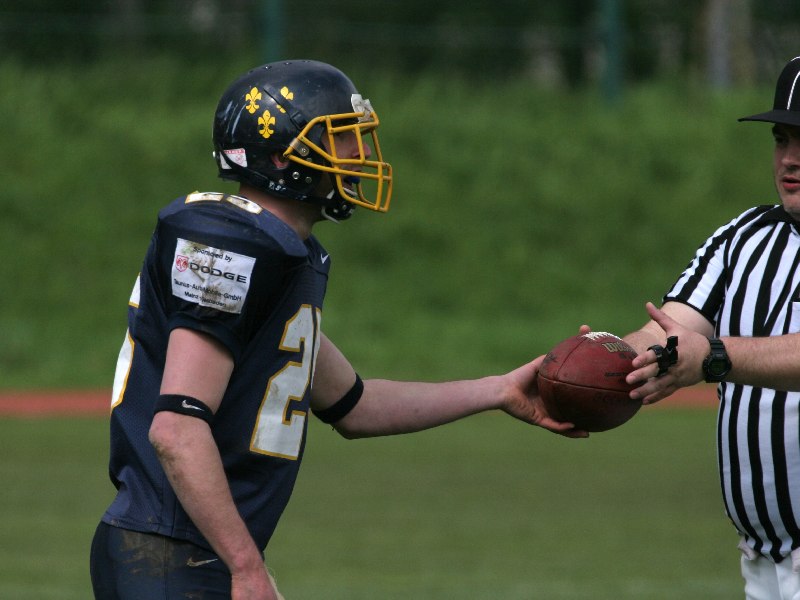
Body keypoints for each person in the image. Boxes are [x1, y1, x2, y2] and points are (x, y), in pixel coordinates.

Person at [89, 59, 587, 600]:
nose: (360, 154)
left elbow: (356, 405)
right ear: (281, 156)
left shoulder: (283, 255)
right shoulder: (231, 243)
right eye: (339, 137)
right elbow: (177, 429)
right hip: (166, 551)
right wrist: (245, 566)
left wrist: (497, 390)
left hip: (188, 553)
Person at [622, 55, 800, 599]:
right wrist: (600, 360)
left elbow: (708, 351)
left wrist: (714, 357)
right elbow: (667, 331)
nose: (790, 159)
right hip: (763, 561)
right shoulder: (744, 236)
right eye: (781, 139)